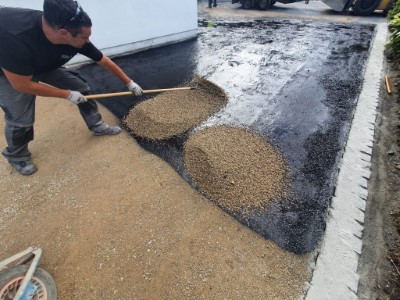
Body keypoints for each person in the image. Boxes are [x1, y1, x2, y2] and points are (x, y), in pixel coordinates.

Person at [0, 0, 143, 175]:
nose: (88, 41)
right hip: (9, 74)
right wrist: (66, 94)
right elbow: (21, 84)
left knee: (81, 88)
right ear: (63, 33)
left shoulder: (73, 34)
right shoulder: (14, 37)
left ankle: (97, 125)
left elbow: (103, 60)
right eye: (84, 38)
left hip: (43, 63)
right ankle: (17, 156)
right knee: (20, 120)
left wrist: (129, 82)